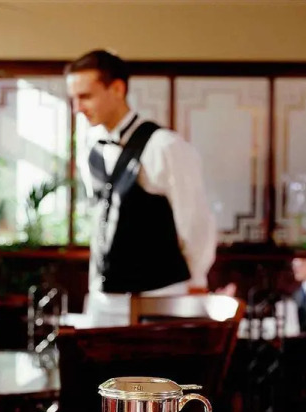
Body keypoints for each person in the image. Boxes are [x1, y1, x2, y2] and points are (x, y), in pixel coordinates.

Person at [65, 50, 217, 325]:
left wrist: (196, 284)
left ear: (117, 89)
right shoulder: (90, 148)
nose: (77, 108)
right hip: (104, 300)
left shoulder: (165, 146)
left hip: (161, 294)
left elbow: (195, 223)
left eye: (85, 96)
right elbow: (101, 222)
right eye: (73, 99)